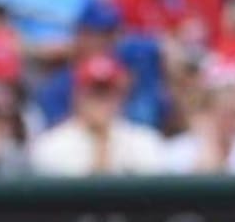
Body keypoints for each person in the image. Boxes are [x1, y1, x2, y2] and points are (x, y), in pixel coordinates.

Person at [30, 54, 166, 177]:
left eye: (108, 93)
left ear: (122, 97)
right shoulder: (50, 145)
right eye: (94, 93)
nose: (101, 101)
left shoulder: (145, 141)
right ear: (77, 96)